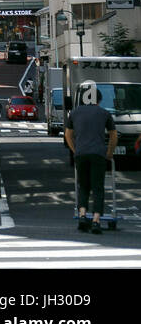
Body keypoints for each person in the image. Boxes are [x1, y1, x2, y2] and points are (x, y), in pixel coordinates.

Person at [65, 82, 118, 234]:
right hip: (98, 154)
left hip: (81, 154)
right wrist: (109, 152)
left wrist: (75, 150)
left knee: (83, 186)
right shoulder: (104, 113)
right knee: (98, 187)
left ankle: (82, 214)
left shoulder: (74, 113)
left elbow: (68, 134)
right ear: (99, 100)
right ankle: (96, 220)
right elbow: (113, 136)